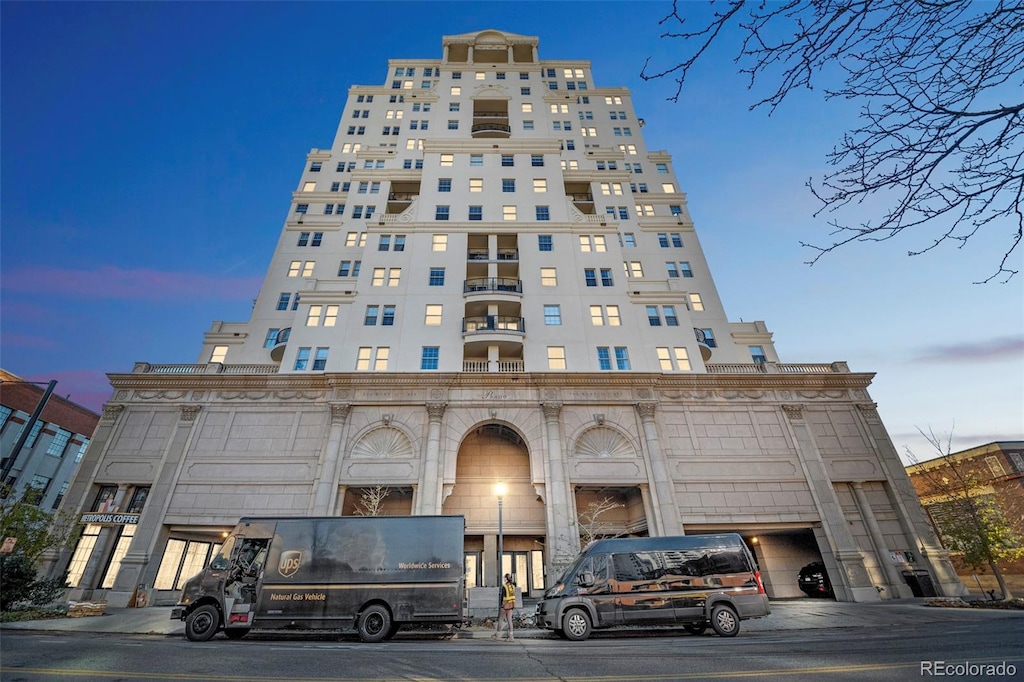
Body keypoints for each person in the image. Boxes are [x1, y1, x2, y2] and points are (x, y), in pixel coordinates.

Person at [492, 573, 516, 641]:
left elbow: (502, 596)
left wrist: (501, 605)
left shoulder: (504, 586)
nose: (503, 579)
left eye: (504, 578)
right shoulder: (513, 586)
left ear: (506, 579)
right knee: (509, 621)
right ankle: (511, 636)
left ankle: (497, 635)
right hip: (511, 604)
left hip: (505, 605)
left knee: (500, 619)